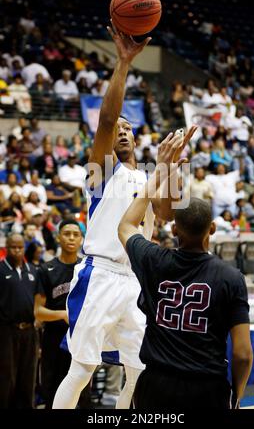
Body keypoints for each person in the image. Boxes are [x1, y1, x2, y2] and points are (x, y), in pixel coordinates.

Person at [52, 22, 197, 410]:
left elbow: (166, 214)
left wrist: (172, 165)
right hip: (98, 274)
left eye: (128, 127)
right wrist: (123, 62)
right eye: (116, 127)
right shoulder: (102, 172)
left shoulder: (149, 177)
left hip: (135, 278)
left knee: (140, 370)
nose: (120, 130)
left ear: (137, 138)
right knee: (82, 369)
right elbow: (104, 119)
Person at [118, 136, 253, 410]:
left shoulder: (153, 259)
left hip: (156, 385)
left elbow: (125, 226)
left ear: (174, 230)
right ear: (212, 229)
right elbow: (242, 354)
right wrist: (237, 396)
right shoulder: (231, 277)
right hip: (207, 389)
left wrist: (159, 173)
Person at [34, 219, 91, 408]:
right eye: (67, 234)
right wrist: (64, 315)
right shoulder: (45, 270)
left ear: (82, 239)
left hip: (81, 340)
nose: (72, 238)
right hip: (54, 341)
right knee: (53, 392)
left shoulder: (87, 270)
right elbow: (38, 311)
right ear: (58, 237)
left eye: (76, 235)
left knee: (81, 395)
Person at [0, 233, 38, 408]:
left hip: (30, 331)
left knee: (28, 376)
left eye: (20, 247)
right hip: (7, 332)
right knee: (7, 377)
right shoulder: (1, 270)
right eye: (13, 247)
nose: (16, 250)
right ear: (6, 248)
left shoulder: (33, 270)